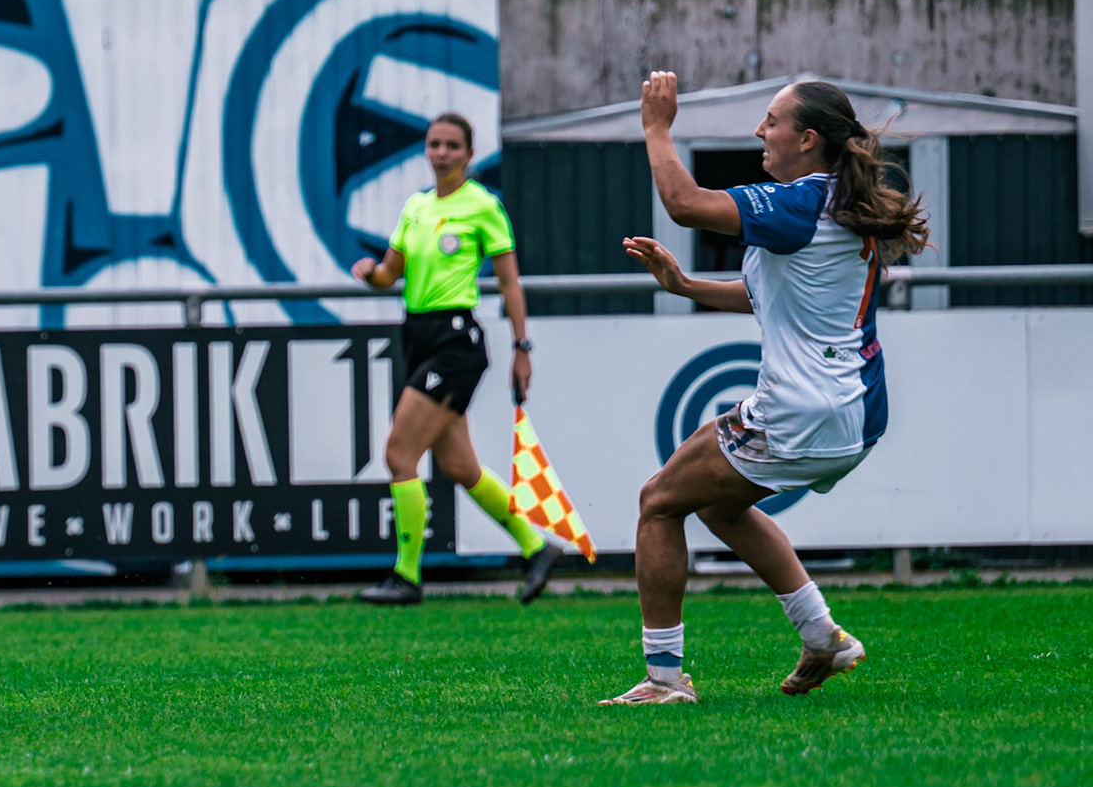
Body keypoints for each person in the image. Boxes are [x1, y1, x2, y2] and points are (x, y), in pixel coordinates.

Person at [604, 73, 929, 705]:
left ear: (808, 139)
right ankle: (822, 637)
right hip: (855, 411)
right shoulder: (830, 202)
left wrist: (656, 127)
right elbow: (768, 297)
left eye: (772, 120)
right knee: (717, 505)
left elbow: (685, 204)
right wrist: (688, 286)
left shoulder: (802, 201)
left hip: (805, 411)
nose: (761, 130)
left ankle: (665, 680)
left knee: (657, 502)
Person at [350, 111, 564, 607]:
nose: (441, 153)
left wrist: (522, 346)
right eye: (434, 144)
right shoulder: (416, 207)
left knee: (399, 455)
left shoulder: (483, 206)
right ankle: (537, 547)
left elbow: (510, 282)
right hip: (418, 335)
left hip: (455, 339)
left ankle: (406, 576)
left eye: (452, 145)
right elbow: (391, 272)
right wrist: (371, 274)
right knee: (462, 467)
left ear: (469, 154)